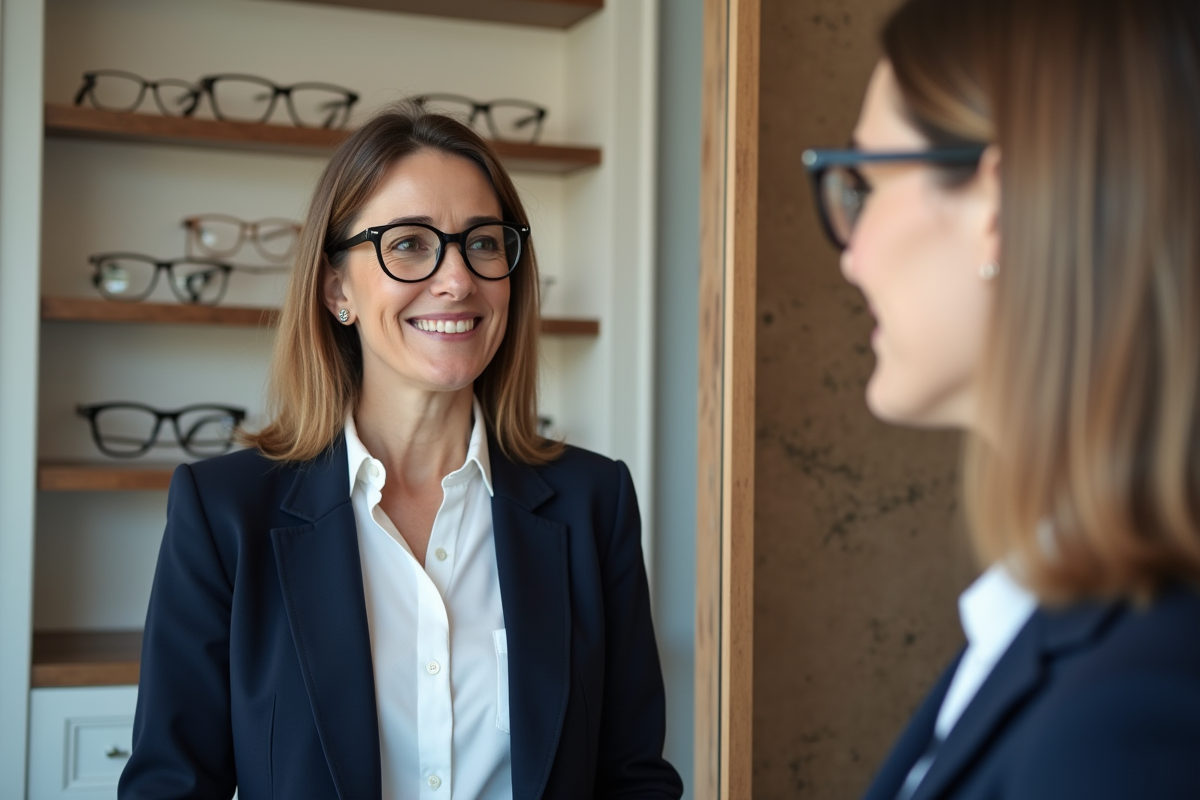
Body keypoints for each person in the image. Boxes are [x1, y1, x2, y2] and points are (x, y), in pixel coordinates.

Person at [119, 103, 683, 800]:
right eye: (410, 243)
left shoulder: (594, 502)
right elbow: (169, 787)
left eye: (482, 242)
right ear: (336, 289)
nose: (457, 279)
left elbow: (632, 778)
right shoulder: (224, 514)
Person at [801, 0, 1200, 797]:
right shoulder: (1058, 625)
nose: (851, 259)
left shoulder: (1128, 723)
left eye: (865, 183)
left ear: (999, 206)